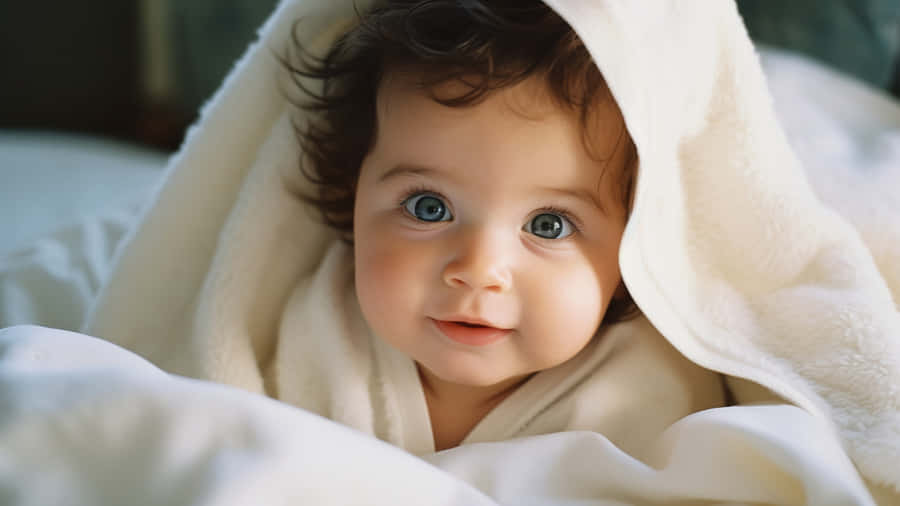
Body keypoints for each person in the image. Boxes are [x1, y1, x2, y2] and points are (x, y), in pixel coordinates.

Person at [284, 0, 723, 450]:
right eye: (428, 207)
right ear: (351, 194)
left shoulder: (648, 404)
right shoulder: (310, 338)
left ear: (636, 252)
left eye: (549, 225)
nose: (478, 269)